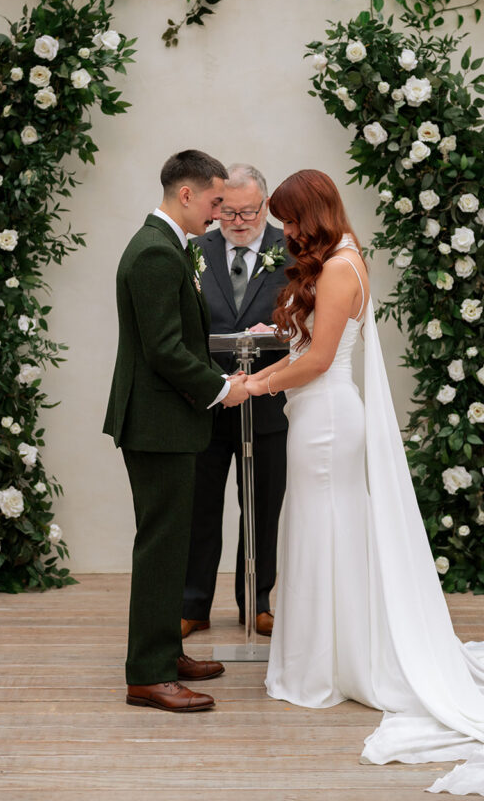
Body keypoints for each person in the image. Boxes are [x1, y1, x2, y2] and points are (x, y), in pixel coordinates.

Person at [245, 169, 484, 794]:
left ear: (312, 213)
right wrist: (280, 337)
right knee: (321, 531)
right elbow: (311, 344)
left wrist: (256, 383)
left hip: (325, 420)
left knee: (324, 531)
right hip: (317, 415)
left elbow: (320, 360)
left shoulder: (340, 268)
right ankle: (329, 653)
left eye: (291, 219)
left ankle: (325, 664)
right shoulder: (341, 257)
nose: (286, 230)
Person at [102, 149, 249, 713]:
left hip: (167, 420)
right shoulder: (155, 254)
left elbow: (178, 340)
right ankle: (148, 675)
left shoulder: (168, 247)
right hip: (157, 423)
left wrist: (218, 378)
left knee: (173, 543)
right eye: (216, 201)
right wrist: (219, 389)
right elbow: (163, 349)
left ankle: (166, 652)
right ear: (186, 194)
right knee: (161, 547)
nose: (220, 213)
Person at [181, 164, 290, 640]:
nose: (239, 221)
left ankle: (257, 603)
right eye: (229, 212)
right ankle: (192, 605)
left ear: (265, 205)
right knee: (199, 508)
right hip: (206, 402)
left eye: (249, 212)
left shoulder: (291, 248)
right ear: (217, 205)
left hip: (268, 402)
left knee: (263, 509)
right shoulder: (194, 249)